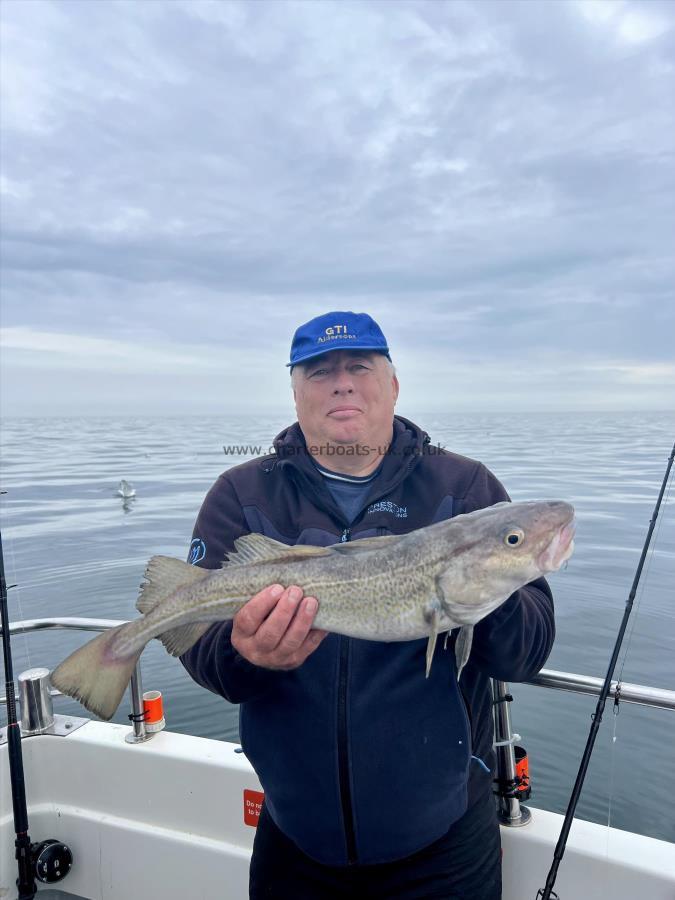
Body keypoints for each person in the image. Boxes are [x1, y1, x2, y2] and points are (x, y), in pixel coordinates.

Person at [180, 311, 555, 900]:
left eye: (360, 365)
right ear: (297, 392)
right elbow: (204, 658)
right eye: (320, 370)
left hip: (446, 842)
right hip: (295, 841)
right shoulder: (243, 494)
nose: (343, 382)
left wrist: (478, 588)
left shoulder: (466, 491)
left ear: (394, 384)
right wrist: (247, 654)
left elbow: (527, 655)